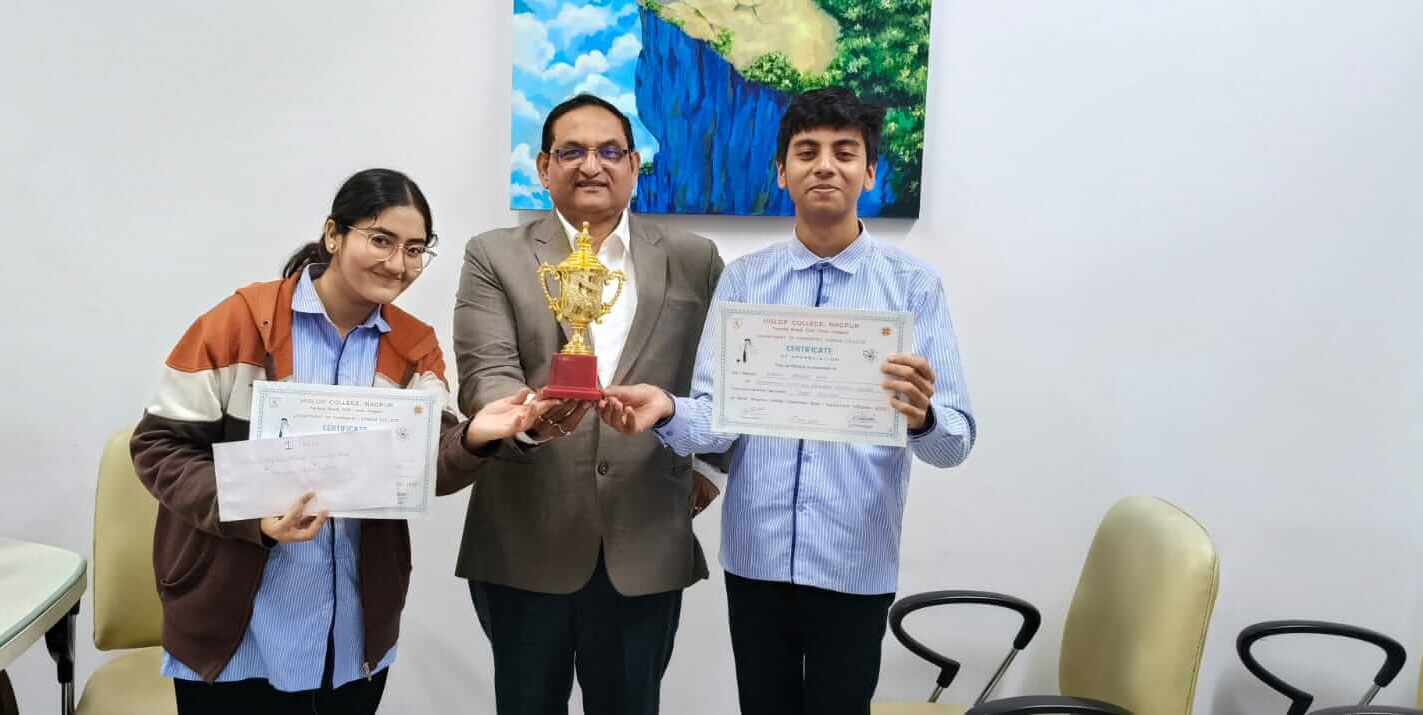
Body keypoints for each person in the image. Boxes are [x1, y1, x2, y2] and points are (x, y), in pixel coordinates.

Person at [601, 86, 978, 715]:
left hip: (854, 559)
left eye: (844, 152)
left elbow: (955, 442)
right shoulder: (746, 281)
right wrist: (665, 408)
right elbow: (719, 421)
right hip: (758, 555)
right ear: (782, 172)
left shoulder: (913, 287)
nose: (825, 165)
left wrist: (923, 417)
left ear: (870, 172)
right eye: (807, 152)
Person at [129, 168, 553, 715]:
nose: (397, 264)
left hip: (352, 635)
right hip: (234, 632)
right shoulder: (239, 323)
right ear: (334, 234)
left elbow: (428, 464)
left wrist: (473, 436)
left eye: (415, 250)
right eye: (381, 240)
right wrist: (254, 515)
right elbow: (159, 448)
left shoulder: (414, 346)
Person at [448, 94, 724, 715]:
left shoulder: (694, 258)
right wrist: (528, 423)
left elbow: (723, 378)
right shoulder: (494, 254)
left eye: (609, 151)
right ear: (544, 167)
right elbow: (485, 375)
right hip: (525, 534)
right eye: (571, 151)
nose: (591, 165)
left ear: (634, 166)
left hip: (646, 535)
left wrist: (710, 467)